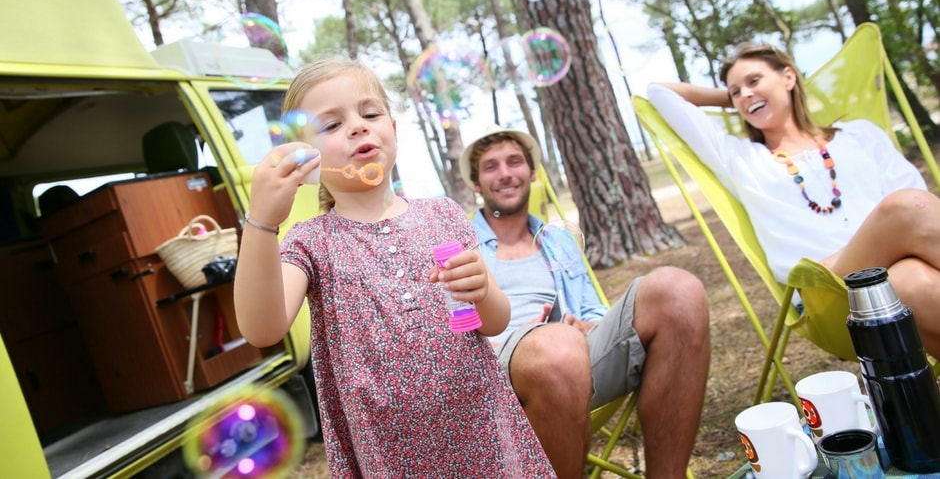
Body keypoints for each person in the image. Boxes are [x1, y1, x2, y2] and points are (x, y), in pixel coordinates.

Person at [233, 59, 554, 476]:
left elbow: (494, 322)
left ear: (394, 129)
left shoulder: (444, 215)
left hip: (483, 431)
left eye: (369, 114)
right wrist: (261, 222)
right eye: (331, 125)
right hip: (390, 451)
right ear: (306, 159)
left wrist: (483, 291)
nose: (357, 127)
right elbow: (262, 328)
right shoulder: (311, 241)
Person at [647, 41, 940, 358]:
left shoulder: (859, 135)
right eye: (735, 91)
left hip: (890, 275)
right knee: (907, 206)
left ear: (789, 77)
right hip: (826, 292)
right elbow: (659, 92)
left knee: (912, 281)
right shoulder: (740, 158)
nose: (744, 93)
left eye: (754, 80)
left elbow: (917, 198)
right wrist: (745, 97)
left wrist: (753, 93)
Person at [459, 124, 711, 478]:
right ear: (476, 183)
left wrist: (583, 326)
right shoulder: (460, 243)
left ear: (532, 173)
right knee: (555, 346)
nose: (505, 174)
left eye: (514, 162)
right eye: (490, 166)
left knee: (678, 290)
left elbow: (591, 310)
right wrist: (539, 339)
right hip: (498, 376)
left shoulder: (557, 241)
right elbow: (453, 331)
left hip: (572, 359)